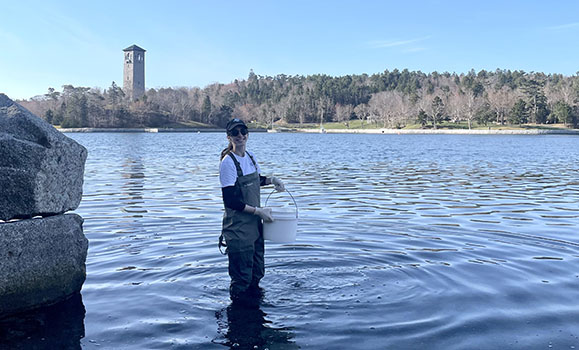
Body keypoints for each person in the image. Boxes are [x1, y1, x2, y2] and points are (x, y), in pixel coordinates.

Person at [219, 118, 285, 303]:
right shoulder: (227, 163)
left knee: (257, 273)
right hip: (238, 230)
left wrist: (271, 180)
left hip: (255, 229)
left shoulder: (251, 157)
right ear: (229, 137)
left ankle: (255, 316)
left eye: (243, 131)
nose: (240, 136)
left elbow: (256, 180)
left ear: (247, 134)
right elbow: (230, 200)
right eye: (235, 133)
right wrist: (258, 211)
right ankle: (239, 322)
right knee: (242, 279)